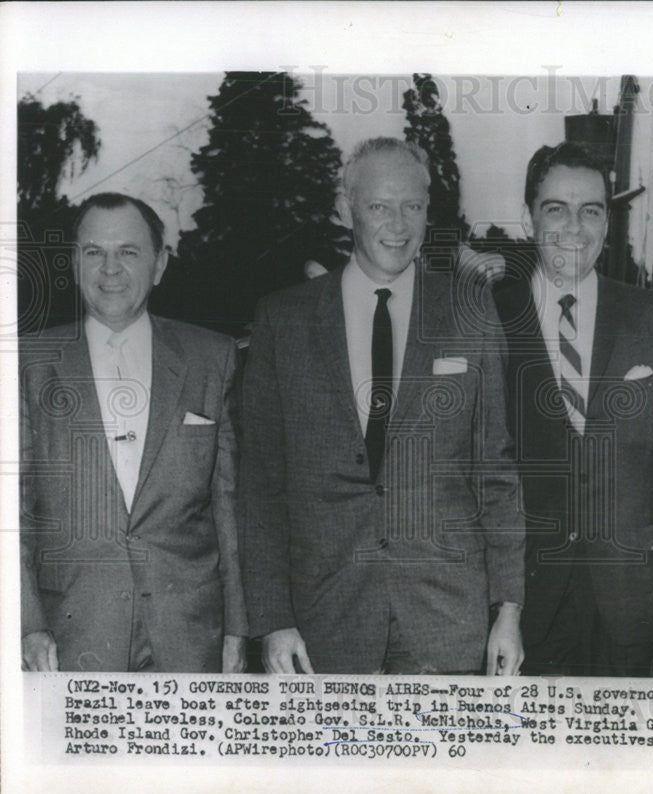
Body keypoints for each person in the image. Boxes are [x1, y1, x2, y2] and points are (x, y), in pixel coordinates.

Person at [239, 137, 524, 675]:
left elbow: (496, 473)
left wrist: (508, 611)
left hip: (445, 624)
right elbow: (261, 487)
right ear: (344, 210)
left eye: (412, 206)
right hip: (323, 624)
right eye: (378, 207)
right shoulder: (284, 320)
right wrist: (273, 619)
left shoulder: (471, 311)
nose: (398, 224)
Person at [492, 142, 653, 677]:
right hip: (525, 602)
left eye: (590, 210)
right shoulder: (488, 319)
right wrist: (500, 603)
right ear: (528, 218)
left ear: (607, 223)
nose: (574, 226)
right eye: (555, 209)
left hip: (635, 601)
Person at [20, 193, 247, 672]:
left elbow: (229, 507)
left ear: (160, 264)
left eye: (128, 252)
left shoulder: (213, 357)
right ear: (74, 263)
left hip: (190, 637)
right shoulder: (26, 363)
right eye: (93, 252)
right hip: (69, 636)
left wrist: (237, 628)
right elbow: (11, 510)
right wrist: (26, 623)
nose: (110, 269)